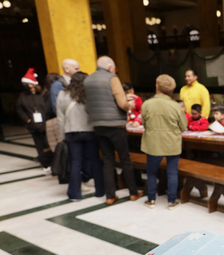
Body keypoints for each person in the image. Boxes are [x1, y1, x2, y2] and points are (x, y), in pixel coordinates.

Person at [84, 56, 142, 205]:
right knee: (125, 159)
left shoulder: (88, 80)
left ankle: (110, 195)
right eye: (115, 68)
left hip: (98, 125)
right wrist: (129, 103)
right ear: (110, 67)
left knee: (107, 160)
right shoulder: (112, 78)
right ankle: (133, 193)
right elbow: (122, 103)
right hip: (115, 125)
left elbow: (88, 104)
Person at [141, 74, 188, 210]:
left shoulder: (147, 104)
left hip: (153, 143)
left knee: (151, 172)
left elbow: (144, 124)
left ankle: (151, 200)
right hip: (172, 143)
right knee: (172, 172)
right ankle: (172, 202)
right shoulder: (175, 106)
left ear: (157, 86)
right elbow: (183, 127)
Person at [56, 72, 105, 201]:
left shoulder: (62, 94)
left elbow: (60, 119)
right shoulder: (90, 94)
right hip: (90, 131)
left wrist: (63, 136)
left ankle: (74, 194)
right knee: (95, 161)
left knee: (75, 162)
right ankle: (100, 191)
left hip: (71, 132)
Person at [16, 68, 53, 172]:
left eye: (27, 83)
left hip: (45, 123)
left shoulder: (41, 94)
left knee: (48, 143)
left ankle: (52, 161)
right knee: (39, 144)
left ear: (32, 84)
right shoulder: (22, 96)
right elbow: (19, 108)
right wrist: (27, 120)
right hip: (33, 125)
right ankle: (45, 164)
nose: (25, 85)